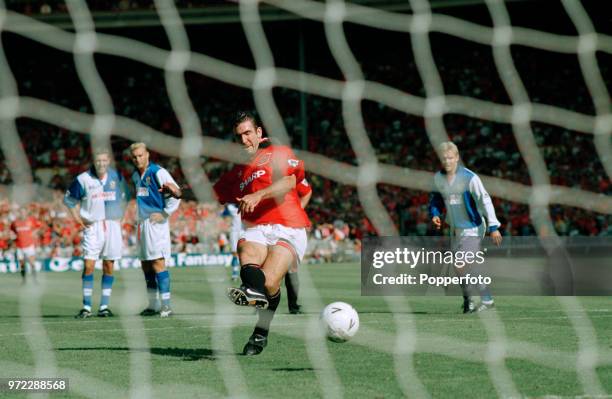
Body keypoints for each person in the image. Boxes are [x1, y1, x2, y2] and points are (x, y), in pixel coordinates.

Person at [214, 111, 310, 355]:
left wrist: (258, 195)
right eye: (239, 136)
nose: (244, 140)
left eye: (248, 133)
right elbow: (211, 191)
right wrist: (178, 190)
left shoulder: (278, 152)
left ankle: (260, 331)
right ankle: (251, 290)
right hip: (257, 226)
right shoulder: (238, 170)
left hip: (287, 225)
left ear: (258, 132)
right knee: (245, 249)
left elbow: (290, 183)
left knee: (269, 283)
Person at [428, 141, 502, 313]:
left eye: (450, 158)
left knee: (461, 263)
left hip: (473, 228)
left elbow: (485, 200)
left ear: (457, 158)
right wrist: (435, 214)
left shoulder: (470, 178)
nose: (447, 161)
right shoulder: (438, 178)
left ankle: (485, 300)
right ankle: (471, 299)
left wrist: (493, 226)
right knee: (461, 267)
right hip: (456, 230)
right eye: (444, 158)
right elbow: (435, 200)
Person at [64, 149, 129, 318]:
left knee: (109, 265)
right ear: (93, 161)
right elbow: (69, 201)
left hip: (112, 227)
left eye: (104, 160)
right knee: (89, 266)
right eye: (98, 160)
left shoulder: (117, 177)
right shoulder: (83, 179)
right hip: (93, 227)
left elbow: (125, 198)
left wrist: (120, 217)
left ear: (108, 161)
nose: (101, 163)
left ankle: (104, 307)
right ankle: (86, 307)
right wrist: (79, 221)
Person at [129, 142, 181, 318]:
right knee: (146, 265)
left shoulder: (158, 171)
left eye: (140, 155)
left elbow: (177, 193)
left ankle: (166, 306)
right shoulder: (136, 175)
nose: (138, 159)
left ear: (147, 155)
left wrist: (165, 213)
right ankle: (152, 305)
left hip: (155, 225)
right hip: (142, 224)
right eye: (134, 157)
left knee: (158, 262)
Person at [285, 177, 312, 314]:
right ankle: (261, 304)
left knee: (292, 268)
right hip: (269, 223)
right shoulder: (260, 172)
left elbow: (307, 191)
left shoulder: (292, 172)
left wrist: (298, 209)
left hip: (293, 225)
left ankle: (293, 306)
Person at [10, 207, 39, 283]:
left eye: (24, 212)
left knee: (32, 264)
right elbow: (12, 231)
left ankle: (35, 280)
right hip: (20, 246)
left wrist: (34, 233)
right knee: (22, 265)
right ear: (19, 213)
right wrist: (13, 236)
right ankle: (24, 280)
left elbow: (38, 227)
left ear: (26, 213)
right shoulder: (15, 222)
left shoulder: (31, 220)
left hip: (29, 245)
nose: (22, 213)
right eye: (21, 212)